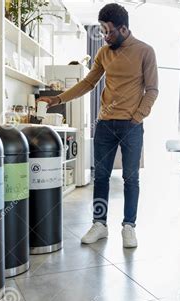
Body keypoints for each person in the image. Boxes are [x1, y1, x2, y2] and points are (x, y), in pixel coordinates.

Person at [37, 4, 158, 248]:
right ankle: (99, 224)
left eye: (109, 31)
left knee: (130, 178)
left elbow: (152, 90)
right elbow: (88, 83)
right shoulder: (104, 53)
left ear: (124, 28)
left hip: (132, 126)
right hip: (104, 125)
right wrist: (57, 99)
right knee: (100, 176)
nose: (105, 35)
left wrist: (137, 117)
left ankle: (129, 226)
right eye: (102, 30)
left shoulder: (145, 51)